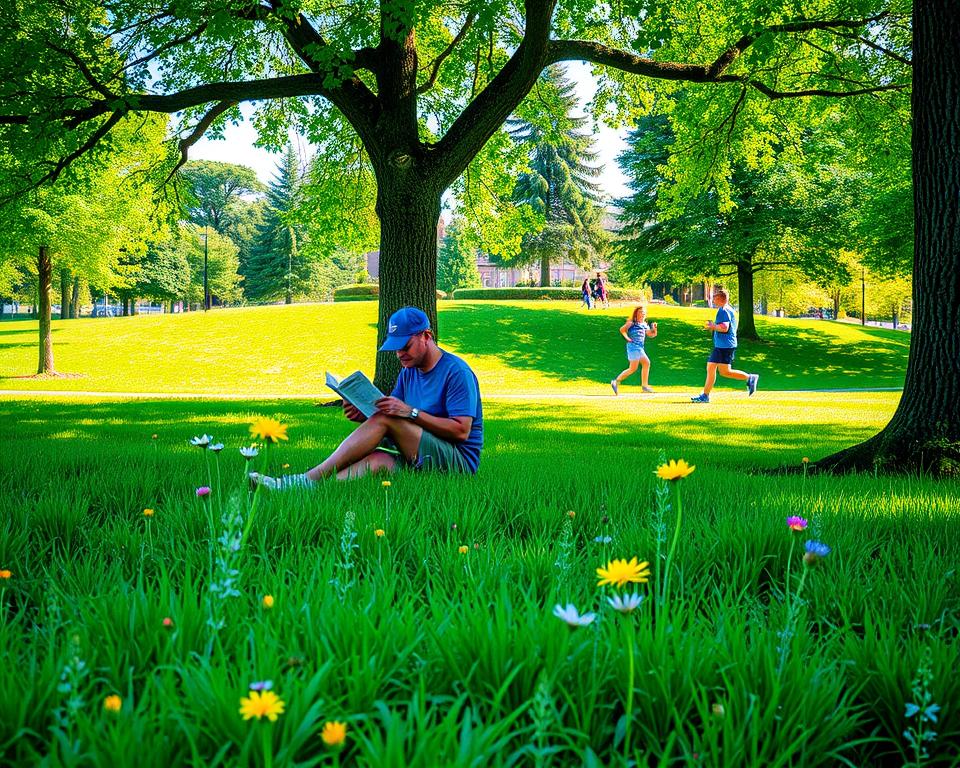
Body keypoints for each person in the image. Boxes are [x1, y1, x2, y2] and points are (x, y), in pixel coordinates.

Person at [251, 307, 483, 486]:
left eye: (406, 346)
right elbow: (393, 422)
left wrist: (410, 412)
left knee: (386, 419)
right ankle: (307, 490)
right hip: (421, 454)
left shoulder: (456, 372)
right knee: (378, 461)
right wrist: (365, 415)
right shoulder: (408, 372)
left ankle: (303, 480)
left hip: (457, 463)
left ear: (426, 336)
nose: (399, 354)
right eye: (395, 348)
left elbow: (461, 431)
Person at [690, 289, 759, 403]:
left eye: (715, 297)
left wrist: (713, 326)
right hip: (724, 345)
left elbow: (724, 327)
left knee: (716, 368)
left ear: (720, 299)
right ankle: (750, 378)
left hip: (724, 346)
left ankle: (705, 396)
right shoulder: (727, 309)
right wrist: (714, 327)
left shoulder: (723, 310)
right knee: (722, 371)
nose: (713, 299)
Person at [611, 305, 657, 395]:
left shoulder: (644, 324)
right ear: (636, 313)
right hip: (633, 347)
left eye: (644, 312)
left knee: (643, 364)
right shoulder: (632, 323)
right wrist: (627, 338)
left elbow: (651, 335)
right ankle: (616, 381)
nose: (642, 314)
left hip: (640, 348)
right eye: (640, 312)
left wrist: (654, 329)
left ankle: (644, 386)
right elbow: (622, 330)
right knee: (634, 367)